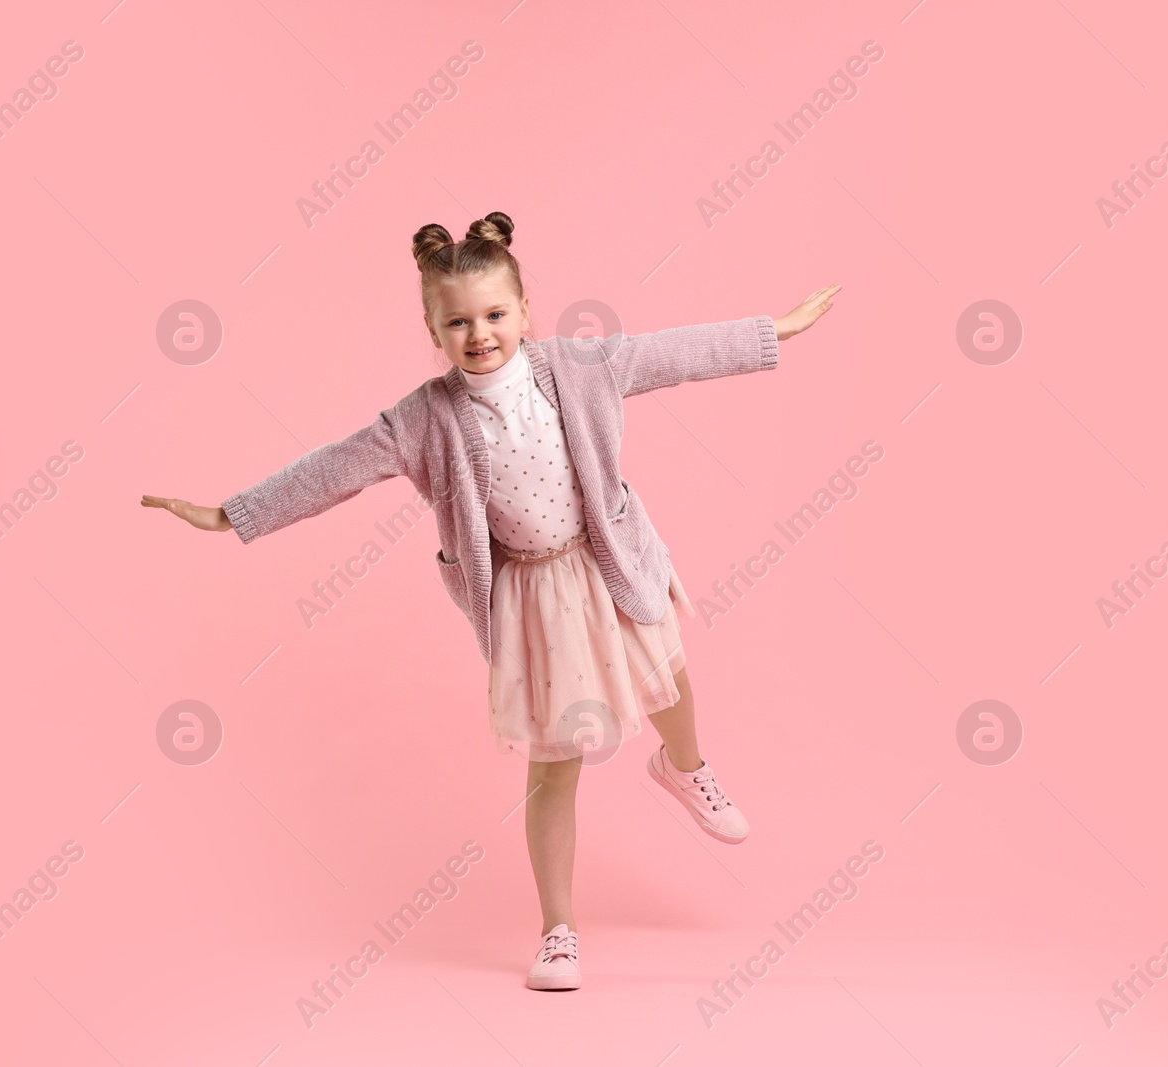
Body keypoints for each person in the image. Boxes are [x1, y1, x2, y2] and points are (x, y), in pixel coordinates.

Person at [142, 211, 839, 991]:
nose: (480, 333)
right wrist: (231, 512)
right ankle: (559, 931)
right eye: (459, 321)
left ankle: (686, 765)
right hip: (534, 600)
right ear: (433, 327)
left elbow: (670, 352)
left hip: (607, 558)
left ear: (525, 310)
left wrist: (773, 329)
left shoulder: (581, 366)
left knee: (669, 669)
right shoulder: (421, 418)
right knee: (555, 767)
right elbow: (332, 468)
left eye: (496, 314)